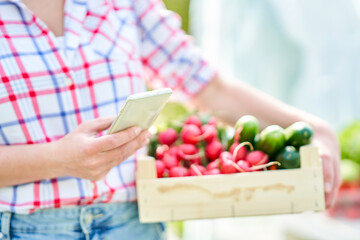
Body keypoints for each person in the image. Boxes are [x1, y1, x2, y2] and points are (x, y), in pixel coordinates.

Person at [0, 0, 340, 239]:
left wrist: (316, 129)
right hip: (22, 229)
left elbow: (207, 87)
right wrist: (57, 159)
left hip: (133, 226)